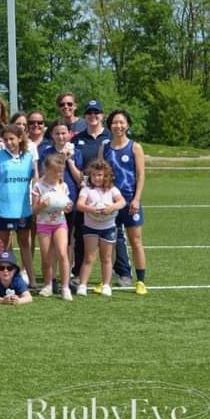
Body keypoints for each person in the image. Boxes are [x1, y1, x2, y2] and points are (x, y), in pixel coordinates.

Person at [72, 99, 132, 286]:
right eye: (89, 112)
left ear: (102, 115)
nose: (93, 115)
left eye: (96, 112)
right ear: (85, 115)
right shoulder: (77, 139)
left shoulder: (110, 136)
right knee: (83, 234)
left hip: (109, 192)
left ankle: (123, 273)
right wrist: (83, 185)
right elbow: (76, 166)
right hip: (87, 191)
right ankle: (79, 274)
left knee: (117, 234)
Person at [102, 109, 149, 295]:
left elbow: (140, 174)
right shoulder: (104, 147)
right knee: (109, 242)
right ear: (109, 125)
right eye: (114, 122)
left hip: (130, 202)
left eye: (121, 122)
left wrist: (137, 198)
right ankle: (108, 281)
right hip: (111, 202)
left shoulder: (135, 147)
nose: (118, 126)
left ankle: (140, 281)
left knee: (135, 241)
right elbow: (100, 174)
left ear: (127, 124)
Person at [0, 124, 37, 282]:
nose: (9, 142)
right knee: (3, 245)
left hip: (23, 209)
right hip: (4, 209)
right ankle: (0, 279)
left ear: (20, 138)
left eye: (12, 139)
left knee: (24, 244)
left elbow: (33, 179)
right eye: (6, 139)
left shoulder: (28, 157)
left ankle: (32, 279)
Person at [75, 159, 126, 297]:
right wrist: (90, 209)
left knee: (107, 258)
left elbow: (122, 201)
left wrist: (111, 207)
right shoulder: (87, 189)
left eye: (100, 175)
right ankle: (83, 285)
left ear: (106, 176)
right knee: (89, 257)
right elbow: (79, 205)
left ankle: (106, 285)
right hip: (90, 227)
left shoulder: (112, 189)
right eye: (94, 175)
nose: (97, 178)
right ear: (90, 176)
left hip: (108, 227)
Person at [32, 153, 73, 300]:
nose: (59, 174)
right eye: (56, 171)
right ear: (47, 169)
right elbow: (34, 210)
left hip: (60, 223)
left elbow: (67, 206)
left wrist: (68, 207)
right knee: (46, 256)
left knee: (62, 253)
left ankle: (65, 287)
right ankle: (48, 285)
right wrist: (42, 205)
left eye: (61, 171)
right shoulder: (38, 186)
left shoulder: (63, 186)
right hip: (44, 224)